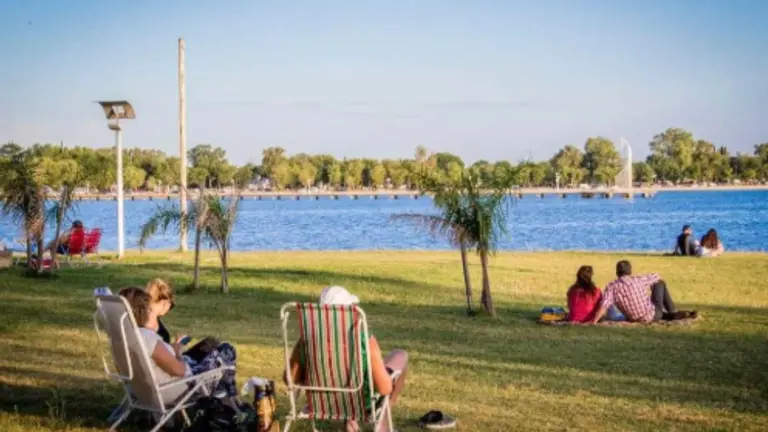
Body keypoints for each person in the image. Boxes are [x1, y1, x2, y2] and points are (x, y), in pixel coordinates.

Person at [286, 286, 407, 432]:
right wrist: (389, 376)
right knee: (400, 355)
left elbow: (290, 379)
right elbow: (385, 388)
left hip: (321, 403)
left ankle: (351, 422)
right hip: (359, 403)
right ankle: (383, 424)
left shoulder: (307, 340)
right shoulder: (363, 340)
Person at [118, 286, 239, 405]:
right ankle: (229, 403)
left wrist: (173, 348)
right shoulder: (147, 337)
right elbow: (180, 371)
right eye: (149, 309)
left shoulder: (124, 334)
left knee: (211, 343)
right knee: (226, 350)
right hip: (181, 389)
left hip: (141, 390)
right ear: (142, 311)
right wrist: (177, 353)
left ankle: (228, 401)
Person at [592, 260, 696, 324]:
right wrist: (651, 286)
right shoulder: (638, 280)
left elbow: (604, 306)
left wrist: (594, 321)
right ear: (630, 271)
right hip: (652, 314)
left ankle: (673, 314)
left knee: (661, 313)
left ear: (617, 272)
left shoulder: (611, 287)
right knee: (659, 283)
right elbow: (656, 276)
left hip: (634, 318)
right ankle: (673, 311)